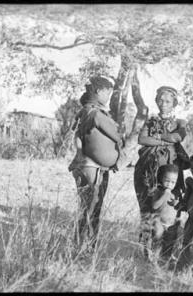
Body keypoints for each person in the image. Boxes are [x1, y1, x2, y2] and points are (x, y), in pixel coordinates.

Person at [68, 75, 123, 251]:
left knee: (87, 207)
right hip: (93, 168)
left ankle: (83, 244)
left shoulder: (84, 112)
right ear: (99, 91)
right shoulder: (96, 114)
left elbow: (76, 136)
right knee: (91, 208)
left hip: (90, 166)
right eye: (108, 92)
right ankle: (85, 246)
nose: (108, 97)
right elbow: (116, 135)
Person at [134, 86, 189, 250]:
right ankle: (145, 249)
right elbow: (142, 139)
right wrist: (166, 141)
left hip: (171, 168)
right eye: (160, 100)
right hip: (147, 170)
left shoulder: (180, 122)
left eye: (167, 101)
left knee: (171, 207)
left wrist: (156, 137)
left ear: (174, 103)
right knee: (147, 208)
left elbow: (178, 136)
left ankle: (167, 250)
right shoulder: (150, 120)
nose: (163, 104)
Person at [145, 164, 182, 261]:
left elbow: (181, 207)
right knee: (157, 237)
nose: (170, 184)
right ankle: (154, 258)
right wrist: (165, 195)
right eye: (167, 181)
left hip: (171, 223)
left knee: (170, 242)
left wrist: (177, 203)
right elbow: (154, 206)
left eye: (173, 182)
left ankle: (166, 258)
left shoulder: (177, 193)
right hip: (159, 221)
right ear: (161, 178)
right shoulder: (158, 191)